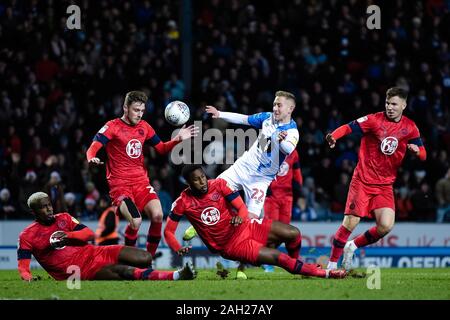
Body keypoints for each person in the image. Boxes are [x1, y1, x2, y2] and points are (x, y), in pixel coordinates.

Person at [184, 91, 299, 278]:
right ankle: (198, 226)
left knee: (249, 222)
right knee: (213, 190)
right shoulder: (266, 118)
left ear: (290, 109)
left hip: (260, 180)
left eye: (280, 105)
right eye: (275, 104)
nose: (275, 108)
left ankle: (241, 268)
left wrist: (279, 139)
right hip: (242, 168)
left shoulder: (293, 132)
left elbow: (288, 148)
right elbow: (244, 119)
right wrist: (220, 114)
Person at [165, 165, 347, 280]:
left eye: (203, 176)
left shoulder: (218, 185)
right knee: (279, 258)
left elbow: (242, 208)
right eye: (196, 180)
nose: (202, 181)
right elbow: (168, 232)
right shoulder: (182, 202)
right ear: (188, 183)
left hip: (246, 226)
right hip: (231, 246)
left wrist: (240, 217)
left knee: (293, 233)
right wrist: (176, 247)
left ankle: (300, 266)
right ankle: (325, 273)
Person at [86, 91, 198, 257]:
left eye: (142, 111)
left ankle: (148, 259)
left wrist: (178, 139)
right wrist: (91, 157)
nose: (139, 114)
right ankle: (132, 258)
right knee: (136, 221)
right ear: (125, 108)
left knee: (158, 215)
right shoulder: (112, 126)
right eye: (136, 110)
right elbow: (93, 146)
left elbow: (161, 148)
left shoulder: (144, 127)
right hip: (120, 186)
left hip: (141, 182)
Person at [326, 87, 427, 270]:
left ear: (404, 105)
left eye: (394, 104)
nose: (390, 107)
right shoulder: (373, 120)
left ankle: (353, 246)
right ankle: (331, 265)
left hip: (385, 185)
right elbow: (350, 126)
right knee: (350, 223)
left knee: (385, 226)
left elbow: (423, 155)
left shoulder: (410, 127)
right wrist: (334, 136)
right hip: (363, 180)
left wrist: (416, 152)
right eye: (387, 103)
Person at [17, 192, 196, 281]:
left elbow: (88, 234)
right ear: (34, 211)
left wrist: (69, 235)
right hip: (79, 272)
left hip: (95, 252)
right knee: (121, 272)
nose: (49, 209)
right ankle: (177, 276)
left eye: (49, 205)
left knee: (145, 257)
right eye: (43, 207)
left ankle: (142, 272)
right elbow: (23, 267)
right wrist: (28, 278)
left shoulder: (63, 218)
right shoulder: (27, 236)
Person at [264, 149, 302, 224]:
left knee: (285, 227)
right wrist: (265, 187)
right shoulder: (269, 150)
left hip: (287, 196)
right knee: (272, 226)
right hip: (272, 196)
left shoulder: (293, 152)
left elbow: (297, 172)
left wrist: (298, 187)